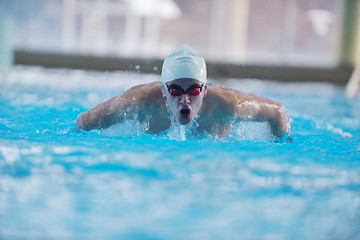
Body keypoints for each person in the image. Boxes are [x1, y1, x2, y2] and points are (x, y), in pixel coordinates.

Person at [76, 44, 289, 138]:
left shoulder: (229, 106)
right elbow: (85, 121)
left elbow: (277, 112)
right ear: (163, 91)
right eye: (176, 90)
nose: (184, 99)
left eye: (194, 90)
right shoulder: (140, 101)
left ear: (205, 90)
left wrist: (282, 148)